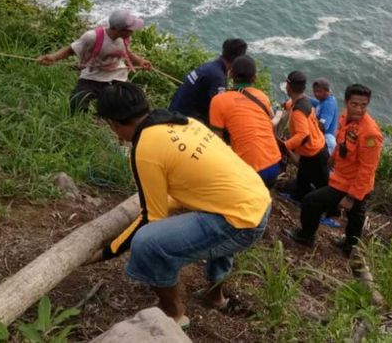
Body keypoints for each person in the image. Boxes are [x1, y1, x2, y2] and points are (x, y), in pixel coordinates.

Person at [87, 82, 271, 329]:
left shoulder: (145, 148)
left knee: (148, 242)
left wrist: (108, 251)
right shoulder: (184, 122)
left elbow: (151, 218)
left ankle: (173, 312)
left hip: (242, 222)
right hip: (256, 198)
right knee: (216, 214)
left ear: (114, 124)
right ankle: (215, 297)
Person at [285, 84, 383, 256]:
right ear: (346, 102)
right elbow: (342, 141)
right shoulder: (346, 117)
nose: (359, 109)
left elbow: (368, 169)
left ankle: (309, 237)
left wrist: (350, 197)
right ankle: (346, 246)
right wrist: (333, 158)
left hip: (355, 184)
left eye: (363, 105)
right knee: (352, 216)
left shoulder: (370, 134)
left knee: (313, 202)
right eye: (354, 104)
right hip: (342, 177)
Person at [37, 9, 151, 114]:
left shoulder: (124, 38)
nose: (132, 31)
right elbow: (70, 50)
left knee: (135, 100)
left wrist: (140, 61)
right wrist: (53, 57)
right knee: (77, 102)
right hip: (93, 77)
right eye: (129, 29)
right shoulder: (92, 37)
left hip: (117, 76)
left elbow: (126, 53)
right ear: (117, 29)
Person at [209, 55, 282, 188]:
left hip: (250, 170)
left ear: (230, 74)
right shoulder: (262, 97)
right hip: (274, 163)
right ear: (254, 78)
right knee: (262, 202)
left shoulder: (219, 101)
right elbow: (270, 127)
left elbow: (217, 141)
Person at [168, 38, 247, 123]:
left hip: (174, 110)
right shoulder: (218, 78)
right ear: (237, 60)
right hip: (182, 119)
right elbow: (220, 109)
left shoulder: (210, 66)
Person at [279, 71, 329, 203]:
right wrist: (286, 105)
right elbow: (293, 103)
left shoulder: (298, 112)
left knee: (323, 185)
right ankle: (298, 197)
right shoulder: (303, 100)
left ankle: (331, 214)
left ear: (289, 87)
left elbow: (303, 134)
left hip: (314, 153)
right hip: (318, 146)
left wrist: (285, 146)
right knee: (303, 178)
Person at [310, 78, 339, 154]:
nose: (316, 94)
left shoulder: (329, 104)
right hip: (323, 138)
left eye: (319, 92)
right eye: (314, 91)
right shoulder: (324, 100)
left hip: (327, 140)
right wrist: (303, 98)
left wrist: (309, 123)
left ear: (327, 91)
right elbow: (318, 104)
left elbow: (323, 126)